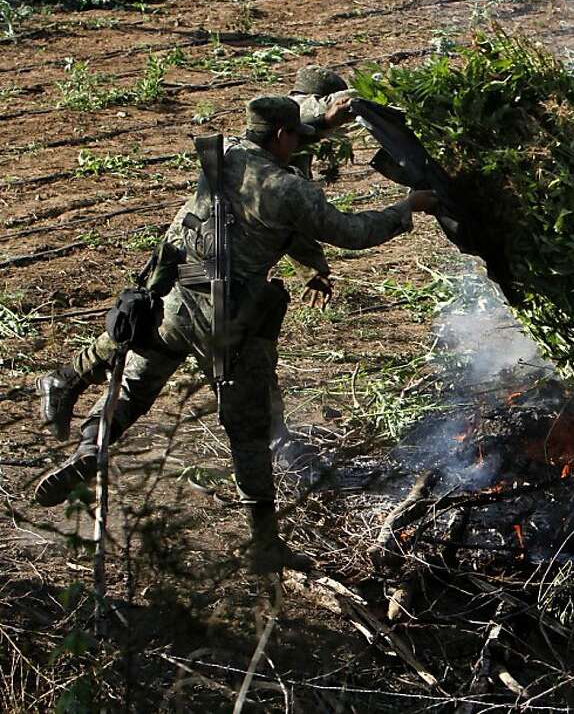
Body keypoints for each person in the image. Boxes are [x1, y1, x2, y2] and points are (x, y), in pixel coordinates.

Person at [33, 96, 438, 574]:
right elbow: (350, 231)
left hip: (179, 298)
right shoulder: (286, 190)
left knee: (133, 388)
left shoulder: (227, 152)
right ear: (284, 137)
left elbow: (282, 141)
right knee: (249, 428)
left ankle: (88, 449)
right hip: (227, 321)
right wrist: (406, 207)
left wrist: (321, 124)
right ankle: (264, 543)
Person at [37, 66, 359, 447]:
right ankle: (68, 381)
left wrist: (312, 267)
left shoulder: (289, 144)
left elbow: (288, 222)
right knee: (151, 326)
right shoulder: (282, 125)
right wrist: (327, 114)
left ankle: (74, 392)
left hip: (210, 254)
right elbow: (302, 116)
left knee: (158, 331)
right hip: (198, 251)